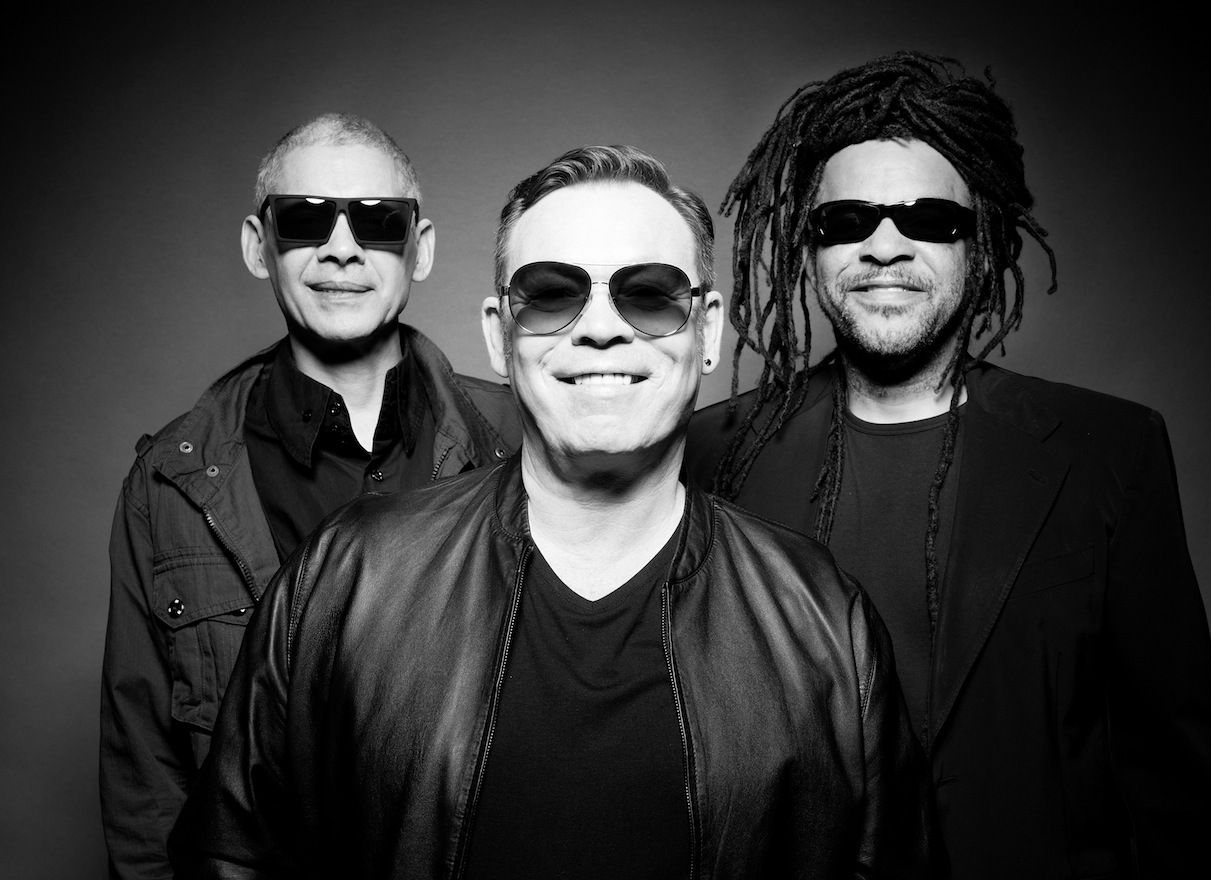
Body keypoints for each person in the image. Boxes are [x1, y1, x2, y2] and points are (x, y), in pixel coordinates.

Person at [167, 145, 939, 878]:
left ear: (708, 331)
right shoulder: (348, 577)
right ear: (498, 337)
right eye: (550, 296)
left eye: (649, 294)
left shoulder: (823, 620)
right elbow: (231, 856)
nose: (600, 328)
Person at [686, 52, 1211, 878]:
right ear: (809, 246)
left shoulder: (1108, 452)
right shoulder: (713, 454)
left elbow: (1173, 781)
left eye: (930, 220)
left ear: (981, 244)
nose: (884, 247)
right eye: (847, 220)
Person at [99, 113, 520, 879]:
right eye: (305, 219)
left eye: (377, 221)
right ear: (258, 245)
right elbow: (145, 789)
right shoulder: (169, 486)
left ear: (421, 247)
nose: (342, 248)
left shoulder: (519, 444)